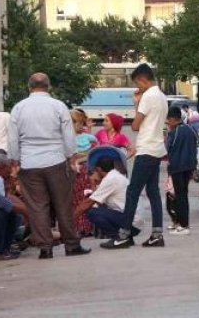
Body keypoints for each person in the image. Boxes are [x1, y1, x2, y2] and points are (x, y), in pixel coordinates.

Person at [8, 72, 90, 259]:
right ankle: (71, 244)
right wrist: (71, 157)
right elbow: (68, 136)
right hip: (56, 161)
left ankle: (45, 247)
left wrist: (15, 160)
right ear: (48, 87)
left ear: (29, 87)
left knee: (37, 207)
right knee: (63, 204)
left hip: (29, 163)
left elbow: (12, 138)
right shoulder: (58, 106)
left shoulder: (19, 108)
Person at [102, 64, 168, 249]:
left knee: (132, 192)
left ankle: (123, 234)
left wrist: (137, 103)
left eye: (137, 82)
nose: (138, 86)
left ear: (142, 79)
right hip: (157, 149)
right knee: (153, 192)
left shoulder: (148, 96)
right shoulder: (162, 96)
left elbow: (135, 126)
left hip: (146, 149)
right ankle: (157, 234)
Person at [74, 155, 141, 241]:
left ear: (99, 169)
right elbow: (98, 202)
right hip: (133, 221)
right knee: (97, 209)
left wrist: (70, 221)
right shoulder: (114, 175)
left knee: (91, 213)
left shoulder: (110, 179)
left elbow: (88, 203)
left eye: (95, 170)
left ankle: (119, 239)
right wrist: (93, 183)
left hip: (131, 223)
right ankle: (125, 238)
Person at [166, 105, 197, 235]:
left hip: (178, 167)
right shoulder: (191, 130)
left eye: (168, 119)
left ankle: (183, 225)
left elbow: (168, 148)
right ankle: (182, 223)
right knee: (183, 194)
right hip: (189, 167)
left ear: (173, 119)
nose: (167, 122)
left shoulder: (175, 132)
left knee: (179, 196)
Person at [70, 108, 97, 236]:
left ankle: (84, 227)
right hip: (73, 171)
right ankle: (77, 227)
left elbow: (95, 147)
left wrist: (80, 158)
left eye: (82, 123)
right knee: (74, 199)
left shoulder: (85, 136)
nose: (82, 126)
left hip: (83, 171)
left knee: (83, 198)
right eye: (79, 123)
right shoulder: (67, 137)